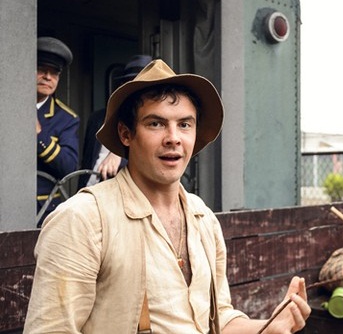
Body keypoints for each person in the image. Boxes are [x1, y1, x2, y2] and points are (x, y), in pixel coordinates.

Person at [24, 59, 311, 333]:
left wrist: (268, 326)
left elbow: (218, 317)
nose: (173, 137)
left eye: (185, 124)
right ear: (126, 134)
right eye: (156, 124)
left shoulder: (203, 219)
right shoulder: (82, 219)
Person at [79, 55, 153, 188]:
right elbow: (86, 162)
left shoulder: (154, 122)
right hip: (89, 194)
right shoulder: (97, 118)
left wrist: (118, 154)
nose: (134, 92)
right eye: (130, 84)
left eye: (141, 86)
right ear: (121, 87)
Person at [35, 36, 80, 227]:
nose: (48, 77)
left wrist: (40, 136)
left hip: (43, 208)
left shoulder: (66, 118)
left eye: (54, 73)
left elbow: (69, 167)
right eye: (42, 70)